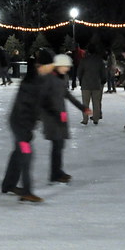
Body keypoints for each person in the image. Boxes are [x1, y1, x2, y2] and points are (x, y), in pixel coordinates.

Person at [1, 48, 57, 203]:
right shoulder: (32, 82)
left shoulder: (38, 79)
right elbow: (25, 108)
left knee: (18, 153)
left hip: (20, 123)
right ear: (42, 65)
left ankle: (8, 185)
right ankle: (26, 191)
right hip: (20, 125)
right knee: (26, 154)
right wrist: (26, 131)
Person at [43, 54, 90, 183]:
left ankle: (57, 172)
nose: (68, 69)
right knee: (57, 145)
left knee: (59, 145)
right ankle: (55, 174)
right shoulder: (49, 79)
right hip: (52, 118)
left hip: (60, 117)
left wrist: (83, 108)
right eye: (66, 66)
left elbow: (68, 95)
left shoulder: (61, 78)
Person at [76, 42, 106, 124]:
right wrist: (103, 80)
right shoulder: (99, 60)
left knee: (85, 103)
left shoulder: (84, 60)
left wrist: (81, 80)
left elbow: (79, 72)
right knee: (96, 103)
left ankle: (85, 119)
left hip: (86, 84)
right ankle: (96, 119)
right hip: (96, 84)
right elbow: (103, 72)